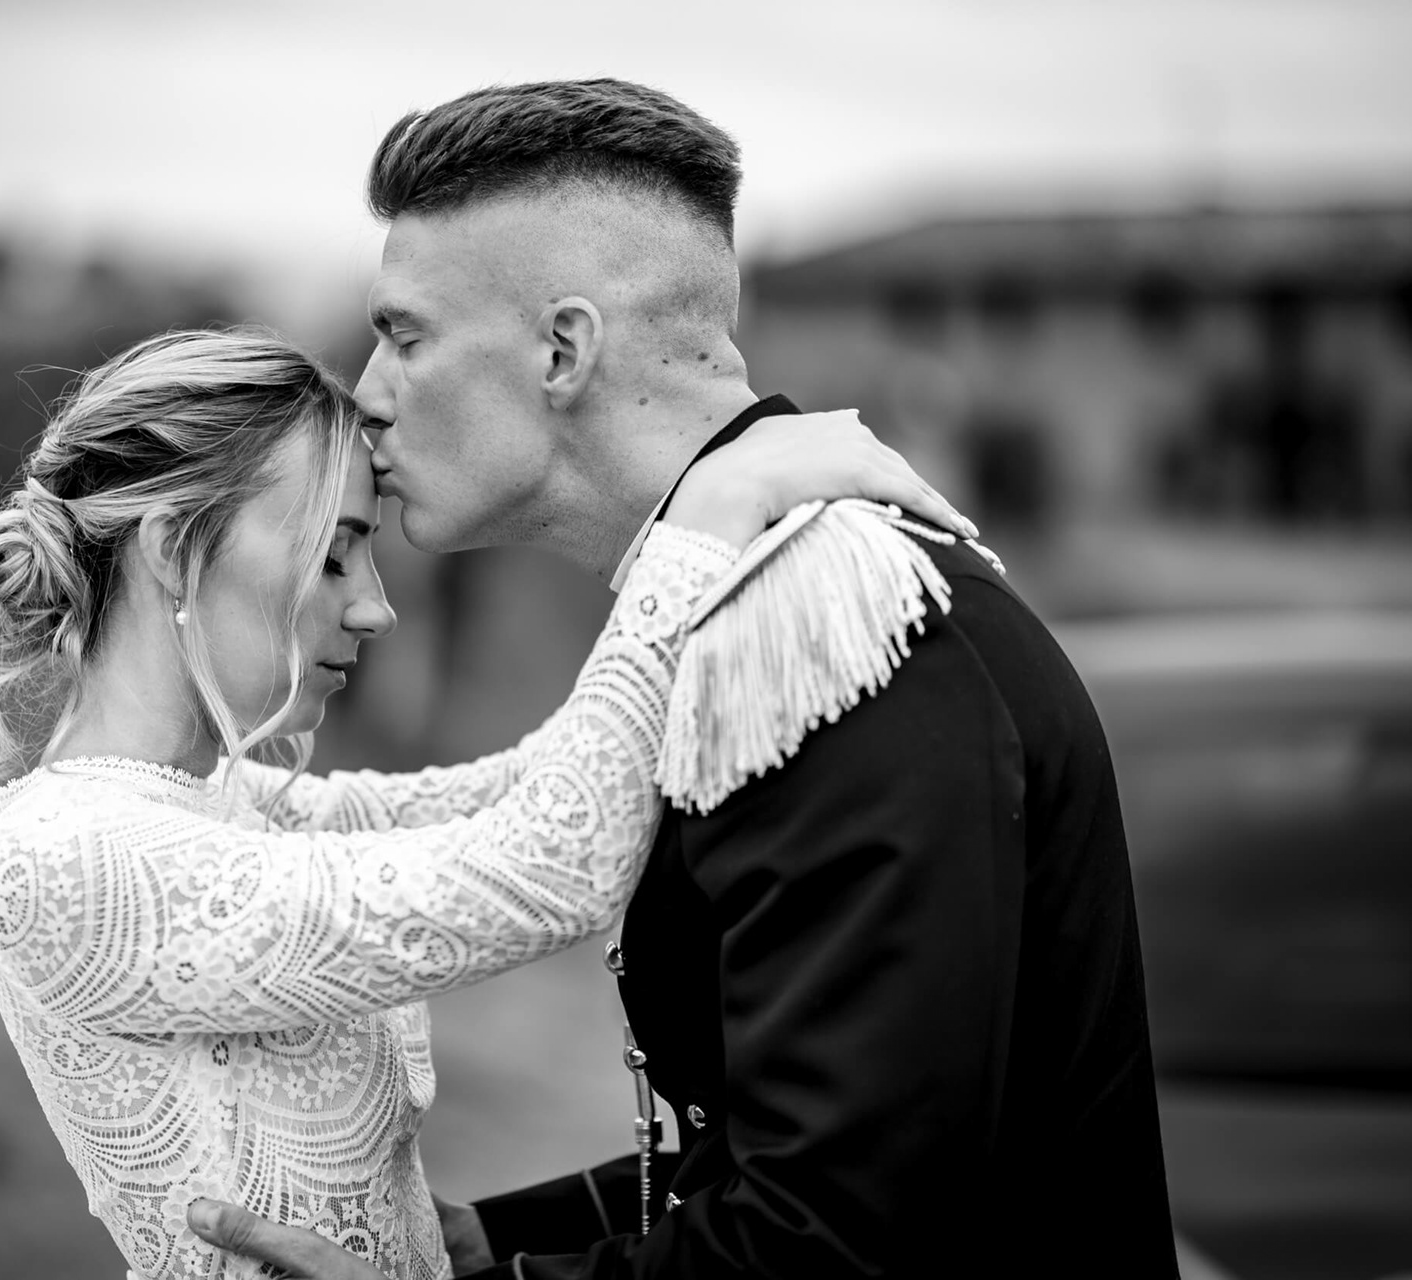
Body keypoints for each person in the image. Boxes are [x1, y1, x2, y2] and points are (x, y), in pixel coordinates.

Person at [189, 80, 1179, 1278]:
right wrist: (498, 1237)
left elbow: (840, 1240)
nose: (370, 394)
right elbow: (806, 1135)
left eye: (405, 337)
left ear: (564, 350)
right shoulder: (752, 599)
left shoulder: (828, 631)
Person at [0, 326, 968, 1278]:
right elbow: (551, 863)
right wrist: (702, 522)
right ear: (172, 547)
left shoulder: (216, 805)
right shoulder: (69, 854)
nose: (374, 606)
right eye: (333, 552)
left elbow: (524, 788)